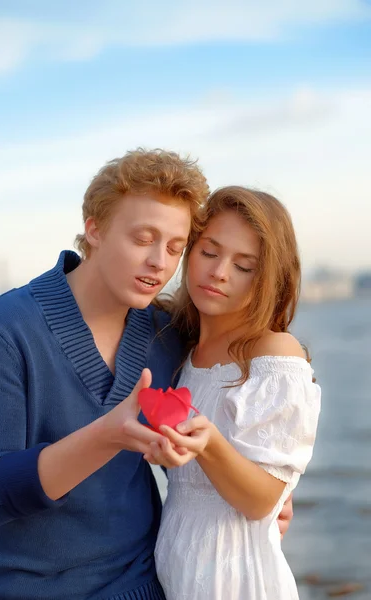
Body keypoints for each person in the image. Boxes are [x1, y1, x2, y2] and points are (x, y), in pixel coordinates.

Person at [0, 151, 293, 600]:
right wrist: (106, 436)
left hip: (142, 585)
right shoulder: (3, 331)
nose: (159, 263)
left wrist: (273, 492)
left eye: (175, 248)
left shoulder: (169, 335)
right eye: (143, 239)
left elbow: (254, 396)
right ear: (95, 229)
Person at [146, 186, 321, 599]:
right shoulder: (180, 346)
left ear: (267, 281)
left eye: (244, 266)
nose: (219, 272)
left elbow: (263, 501)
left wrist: (210, 446)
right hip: (176, 566)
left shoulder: (273, 354)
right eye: (209, 252)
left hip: (237, 576)